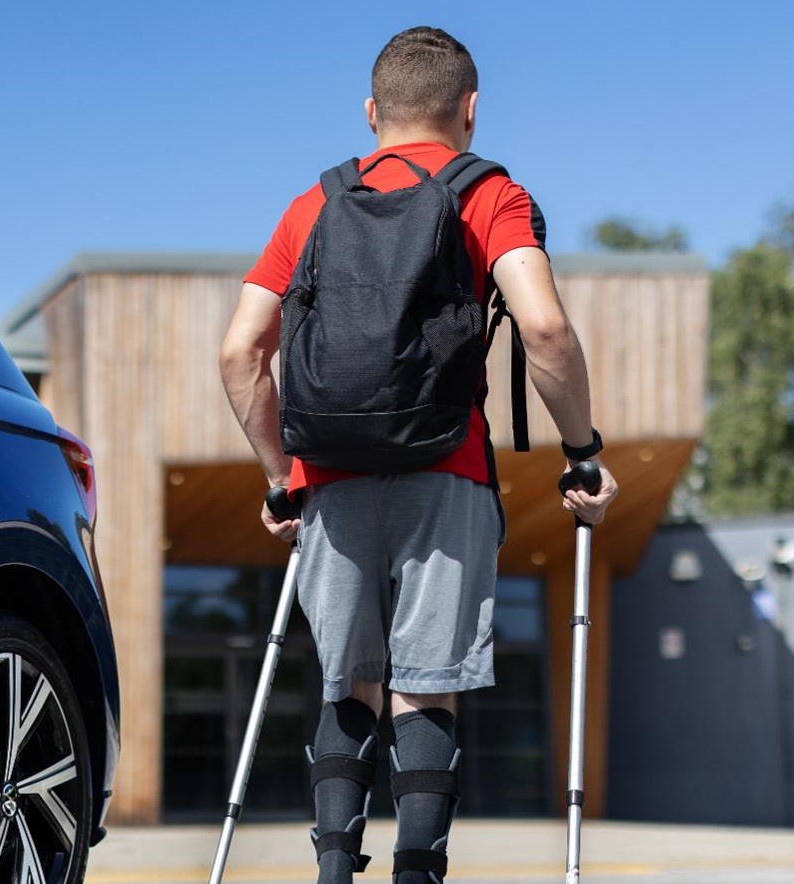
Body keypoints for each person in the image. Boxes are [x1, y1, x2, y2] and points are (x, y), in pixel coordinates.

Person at [219, 26, 620, 884]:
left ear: (372, 113)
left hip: (328, 473)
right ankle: (417, 873)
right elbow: (544, 328)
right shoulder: (489, 195)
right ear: (470, 110)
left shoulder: (313, 206)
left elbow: (240, 352)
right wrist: (582, 451)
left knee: (347, 684)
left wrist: (282, 480)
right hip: (447, 468)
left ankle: (333, 870)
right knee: (423, 686)